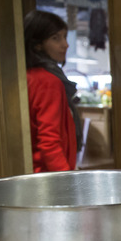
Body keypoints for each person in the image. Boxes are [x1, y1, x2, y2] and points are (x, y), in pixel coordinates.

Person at [24, 10, 82, 172]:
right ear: (37, 44)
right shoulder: (47, 81)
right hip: (47, 176)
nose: (65, 44)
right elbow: (49, 142)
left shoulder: (24, 76)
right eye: (55, 38)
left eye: (64, 36)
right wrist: (67, 181)